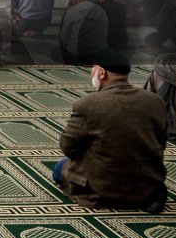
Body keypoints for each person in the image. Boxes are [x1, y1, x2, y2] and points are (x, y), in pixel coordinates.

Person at [54, 49, 167, 213]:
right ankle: (146, 194)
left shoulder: (87, 104)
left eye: (93, 68)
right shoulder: (155, 101)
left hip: (102, 187)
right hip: (145, 183)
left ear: (101, 73)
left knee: (59, 167)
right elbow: (160, 143)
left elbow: (68, 147)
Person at [57, 0, 108, 65]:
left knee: (56, 52)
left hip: (77, 52)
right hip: (98, 50)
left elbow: (64, 36)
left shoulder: (72, 11)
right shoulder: (100, 10)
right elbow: (104, 31)